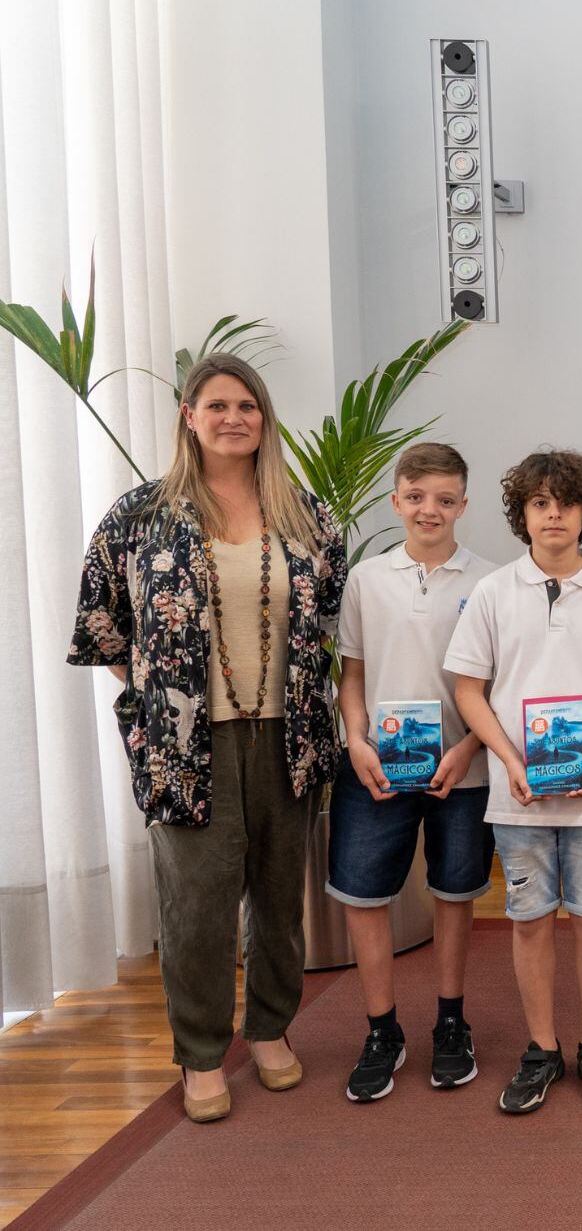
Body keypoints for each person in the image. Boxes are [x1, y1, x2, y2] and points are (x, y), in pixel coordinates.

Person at [68, 354, 344, 1123]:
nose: (233, 418)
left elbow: (331, 621)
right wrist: (165, 697)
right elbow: (104, 626)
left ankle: (270, 1032)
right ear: (189, 416)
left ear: (265, 419)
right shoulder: (138, 516)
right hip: (186, 747)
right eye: (216, 404)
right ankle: (199, 1054)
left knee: (279, 895)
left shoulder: (307, 515)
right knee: (196, 905)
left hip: (289, 737)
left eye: (247, 405)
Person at [446, 450, 582, 1113]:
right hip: (519, 797)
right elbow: (469, 689)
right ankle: (540, 1048)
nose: (553, 513)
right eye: (539, 502)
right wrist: (507, 757)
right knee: (530, 921)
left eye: (566, 502)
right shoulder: (494, 594)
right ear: (522, 514)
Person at [329, 442, 494, 1102]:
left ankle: (451, 1024)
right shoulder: (367, 578)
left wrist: (471, 750)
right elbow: (353, 675)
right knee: (365, 896)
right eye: (418, 497)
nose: (431, 510)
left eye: (445, 499)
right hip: (377, 768)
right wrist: (356, 739)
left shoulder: (491, 581)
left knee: (455, 894)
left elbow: (498, 684)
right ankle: (381, 1030)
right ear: (397, 501)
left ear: (463, 505)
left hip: (464, 768)